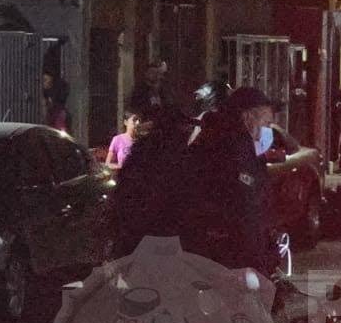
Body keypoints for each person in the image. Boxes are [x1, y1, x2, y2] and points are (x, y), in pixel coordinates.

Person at [182, 87, 280, 275]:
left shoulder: (240, 148)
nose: (269, 131)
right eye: (266, 123)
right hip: (228, 260)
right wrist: (258, 260)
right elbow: (244, 210)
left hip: (222, 256)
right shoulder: (231, 151)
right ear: (248, 117)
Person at [109, 107, 196, 258]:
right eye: (184, 128)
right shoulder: (174, 156)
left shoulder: (141, 151)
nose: (187, 133)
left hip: (138, 233)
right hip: (155, 232)